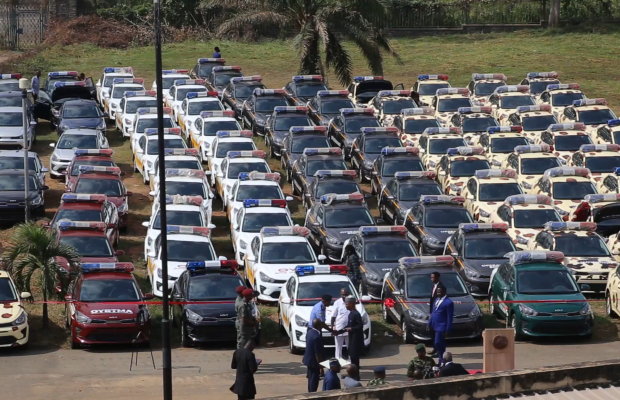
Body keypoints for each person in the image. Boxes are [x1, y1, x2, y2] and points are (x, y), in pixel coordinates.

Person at [428, 286, 454, 365]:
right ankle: (442, 359)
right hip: (434, 325)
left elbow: (450, 317)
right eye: (437, 291)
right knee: (439, 343)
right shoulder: (436, 300)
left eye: (440, 291)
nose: (438, 293)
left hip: (442, 326)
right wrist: (429, 323)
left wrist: (448, 328)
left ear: (444, 292)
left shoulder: (448, 302)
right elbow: (433, 313)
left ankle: (441, 359)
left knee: (438, 342)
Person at [302, 317, 325, 393]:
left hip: (308, 360)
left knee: (310, 379)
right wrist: (321, 367)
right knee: (314, 381)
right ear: (319, 325)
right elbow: (317, 354)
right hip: (314, 363)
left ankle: (310, 393)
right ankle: (312, 396)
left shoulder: (310, 332)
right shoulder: (317, 337)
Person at [341, 296, 363, 369]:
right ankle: (353, 372)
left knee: (354, 357)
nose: (346, 306)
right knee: (352, 356)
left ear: (351, 304)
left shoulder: (356, 314)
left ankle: (356, 374)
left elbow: (360, 325)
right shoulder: (350, 313)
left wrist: (351, 329)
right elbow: (349, 325)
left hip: (356, 340)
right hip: (351, 339)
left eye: (346, 304)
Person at [428, 271, 445, 357]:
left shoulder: (440, 287)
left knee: (439, 334)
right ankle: (435, 349)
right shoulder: (434, 286)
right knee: (433, 332)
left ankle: (439, 351)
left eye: (433, 277)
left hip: (438, 314)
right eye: (431, 277)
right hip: (433, 313)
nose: (432, 279)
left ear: (438, 277)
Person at [330, 288, 350, 360]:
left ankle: (350, 361)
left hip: (348, 329)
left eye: (346, 295)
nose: (344, 296)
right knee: (338, 347)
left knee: (350, 347)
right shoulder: (337, 303)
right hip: (339, 329)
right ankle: (338, 362)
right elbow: (333, 316)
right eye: (343, 295)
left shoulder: (351, 302)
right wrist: (332, 327)